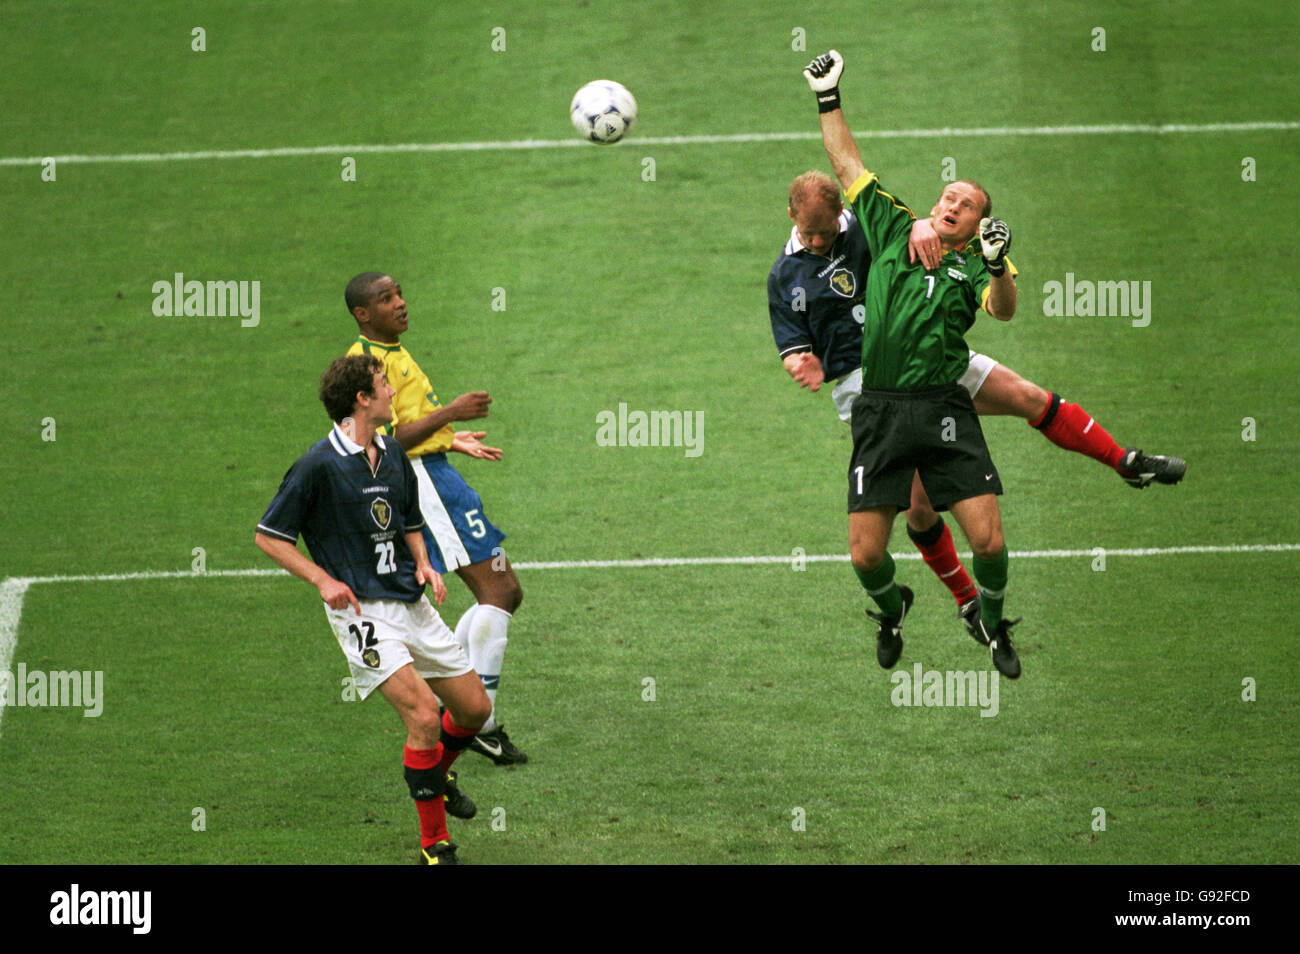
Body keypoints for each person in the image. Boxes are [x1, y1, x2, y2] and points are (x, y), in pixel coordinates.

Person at [770, 171, 1187, 634]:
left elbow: (899, 217)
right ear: (790, 216)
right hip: (872, 389)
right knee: (921, 510)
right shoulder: (784, 277)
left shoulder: (866, 225)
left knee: (1027, 396)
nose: (819, 239)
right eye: (810, 233)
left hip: (930, 343)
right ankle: (969, 602)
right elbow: (793, 346)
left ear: (840, 217)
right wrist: (801, 363)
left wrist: (922, 225)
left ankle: (1124, 461)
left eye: (827, 231)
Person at [801, 48, 1026, 676]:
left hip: (945, 408)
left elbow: (1002, 310)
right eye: (947, 195)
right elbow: (846, 162)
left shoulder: (976, 263)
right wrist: (828, 96)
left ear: (980, 222)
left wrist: (998, 260)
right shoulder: (894, 224)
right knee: (866, 556)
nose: (951, 203)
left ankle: (993, 619)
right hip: (882, 410)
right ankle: (892, 605)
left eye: (966, 204)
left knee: (990, 541)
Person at [255, 353, 492, 865]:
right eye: (384, 383)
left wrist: (425, 564)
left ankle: (437, 777)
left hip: (409, 600)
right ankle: (435, 843)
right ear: (362, 399)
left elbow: (408, 520)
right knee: (425, 716)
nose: (391, 391)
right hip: (361, 613)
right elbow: (268, 536)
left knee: (474, 710)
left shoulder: (391, 455)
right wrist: (322, 579)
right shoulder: (317, 465)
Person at [344, 273, 527, 766]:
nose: (401, 303)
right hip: (424, 484)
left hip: (436, 472)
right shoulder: (367, 365)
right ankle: (478, 723)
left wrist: (451, 438)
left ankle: (464, 704)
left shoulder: (392, 352)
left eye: (400, 293)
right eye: (386, 299)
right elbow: (380, 441)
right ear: (363, 314)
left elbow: (406, 425)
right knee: (500, 590)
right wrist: (452, 413)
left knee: (503, 591)